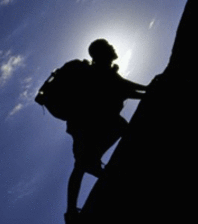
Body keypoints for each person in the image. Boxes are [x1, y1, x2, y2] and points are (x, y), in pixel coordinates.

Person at [64, 39, 146, 223]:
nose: (113, 48)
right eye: (109, 46)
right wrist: (148, 90)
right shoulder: (99, 71)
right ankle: (70, 213)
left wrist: (147, 90)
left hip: (93, 126)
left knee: (83, 165)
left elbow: (123, 86)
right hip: (87, 127)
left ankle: (72, 211)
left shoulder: (104, 70)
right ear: (101, 53)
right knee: (81, 166)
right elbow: (124, 87)